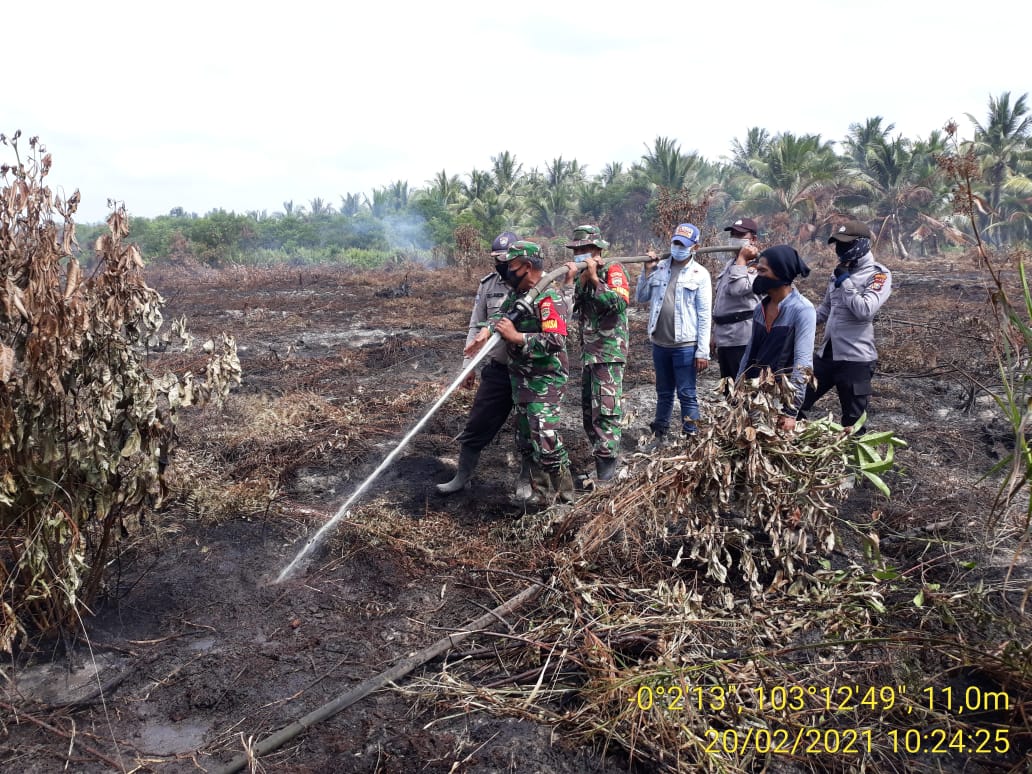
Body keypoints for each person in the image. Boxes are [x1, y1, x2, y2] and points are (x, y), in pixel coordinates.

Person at [465, 240, 575, 505]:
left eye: (510, 266)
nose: (506, 272)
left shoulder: (549, 298)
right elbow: (503, 315)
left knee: (546, 441)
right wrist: (487, 330)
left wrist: (517, 337)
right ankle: (538, 495)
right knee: (527, 441)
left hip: (544, 382)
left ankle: (566, 499)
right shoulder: (520, 294)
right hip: (521, 381)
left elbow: (556, 341)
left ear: (526, 267)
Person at [436, 231, 523, 494]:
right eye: (497, 259)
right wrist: (468, 366)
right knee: (477, 424)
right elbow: (476, 326)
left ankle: (527, 480)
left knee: (530, 430)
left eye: (507, 260)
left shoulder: (535, 286)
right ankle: (462, 477)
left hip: (529, 372)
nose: (502, 264)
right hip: (497, 369)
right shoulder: (488, 285)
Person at [797, 220, 893, 432]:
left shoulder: (879, 275)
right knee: (797, 402)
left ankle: (852, 465)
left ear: (861, 244)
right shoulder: (838, 272)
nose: (840, 249)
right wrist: (798, 317)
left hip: (856, 360)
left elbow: (865, 310)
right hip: (826, 355)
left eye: (846, 244)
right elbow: (824, 310)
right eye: (838, 244)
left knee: (853, 423)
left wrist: (846, 282)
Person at [561, 225, 630, 482]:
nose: (579, 254)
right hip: (589, 354)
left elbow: (618, 303)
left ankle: (606, 477)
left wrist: (595, 280)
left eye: (584, 249)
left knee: (606, 413)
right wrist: (574, 281)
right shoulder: (581, 275)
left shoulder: (613, 270)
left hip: (609, 354)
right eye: (576, 250)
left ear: (597, 249)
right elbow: (570, 308)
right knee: (589, 415)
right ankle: (601, 466)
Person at [635, 222, 712, 442]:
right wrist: (646, 271)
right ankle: (660, 436)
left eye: (683, 244)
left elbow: (705, 315)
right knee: (664, 393)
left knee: (687, 393)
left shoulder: (700, 274)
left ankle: (692, 439)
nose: (678, 247)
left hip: (685, 346)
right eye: (675, 243)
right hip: (660, 343)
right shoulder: (659, 268)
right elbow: (640, 297)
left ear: (694, 247)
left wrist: (702, 351)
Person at [737, 245, 817, 431]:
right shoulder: (760, 308)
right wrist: (739, 388)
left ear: (780, 274)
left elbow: (803, 364)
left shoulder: (802, 310)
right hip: (755, 392)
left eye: (763, 270)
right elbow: (750, 352)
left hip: (780, 397)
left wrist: (791, 411)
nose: (758, 274)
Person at [711, 217, 761, 380]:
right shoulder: (731, 264)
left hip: (741, 339)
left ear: (753, 239)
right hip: (724, 337)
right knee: (729, 390)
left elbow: (737, 289)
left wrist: (742, 259)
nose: (735, 239)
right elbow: (722, 301)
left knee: (741, 390)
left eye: (740, 235)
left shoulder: (758, 266)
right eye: (733, 235)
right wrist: (714, 334)